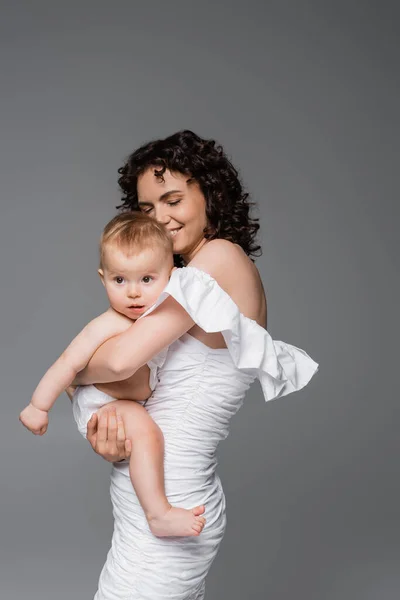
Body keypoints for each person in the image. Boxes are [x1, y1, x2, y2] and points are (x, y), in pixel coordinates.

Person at [72, 130, 319, 599]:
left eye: (173, 200)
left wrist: (68, 372)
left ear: (211, 194)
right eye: (146, 209)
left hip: (173, 498)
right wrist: (117, 441)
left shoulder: (218, 261)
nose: (160, 219)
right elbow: (144, 390)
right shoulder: (189, 275)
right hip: (161, 492)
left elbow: (122, 361)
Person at [19, 211, 206, 537]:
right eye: (120, 280)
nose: (133, 293)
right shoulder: (107, 323)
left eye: (147, 279)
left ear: (171, 276)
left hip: (124, 397)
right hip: (100, 403)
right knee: (147, 434)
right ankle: (157, 514)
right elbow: (68, 363)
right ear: (103, 277)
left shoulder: (164, 314)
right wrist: (38, 406)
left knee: (150, 431)